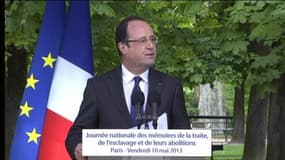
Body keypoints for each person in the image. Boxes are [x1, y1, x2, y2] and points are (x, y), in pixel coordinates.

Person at [65, 16, 190, 160]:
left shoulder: (171, 86)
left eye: (152, 39)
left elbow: (185, 137)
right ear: (123, 47)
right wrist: (78, 147)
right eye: (143, 41)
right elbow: (77, 133)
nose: (150, 46)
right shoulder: (98, 87)